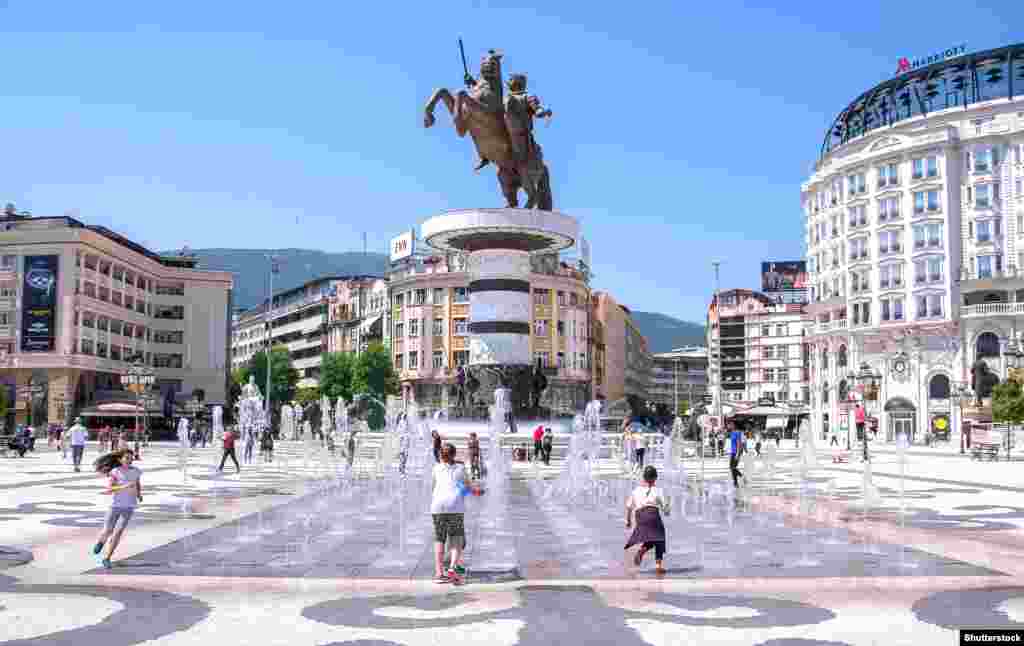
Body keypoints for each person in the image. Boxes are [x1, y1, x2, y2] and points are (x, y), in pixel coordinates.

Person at [92, 448, 142, 570]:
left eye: (131, 458)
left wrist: (139, 494)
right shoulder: (115, 471)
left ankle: (107, 558)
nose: (130, 460)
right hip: (115, 506)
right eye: (127, 458)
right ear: (120, 459)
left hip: (129, 506)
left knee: (118, 532)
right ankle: (101, 542)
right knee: (108, 530)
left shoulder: (136, 471)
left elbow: (137, 483)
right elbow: (109, 489)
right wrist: (124, 486)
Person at [431, 443, 468, 584]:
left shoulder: (436, 468)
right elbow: (466, 486)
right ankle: (452, 568)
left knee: (439, 539)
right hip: (455, 506)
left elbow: (433, 487)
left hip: (438, 506)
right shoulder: (461, 468)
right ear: (454, 454)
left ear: (441, 455)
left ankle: (439, 573)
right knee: (456, 538)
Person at [624, 465, 670, 575]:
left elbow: (629, 506)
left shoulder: (636, 490)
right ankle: (658, 566)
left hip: (640, 516)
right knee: (659, 538)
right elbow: (666, 510)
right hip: (652, 514)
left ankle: (642, 550)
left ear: (644, 478)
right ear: (655, 478)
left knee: (651, 537)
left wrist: (628, 521)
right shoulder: (658, 490)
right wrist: (667, 506)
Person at [728, 423, 744, 488]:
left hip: (736, 452)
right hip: (733, 452)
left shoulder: (737, 433)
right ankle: (736, 482)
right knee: (732, 468)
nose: (729, 426)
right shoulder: (732, 433)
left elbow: (739, 443)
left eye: (730, 425)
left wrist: (737, 454)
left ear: (734, 425)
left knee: (733, 467)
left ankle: (741, 477)